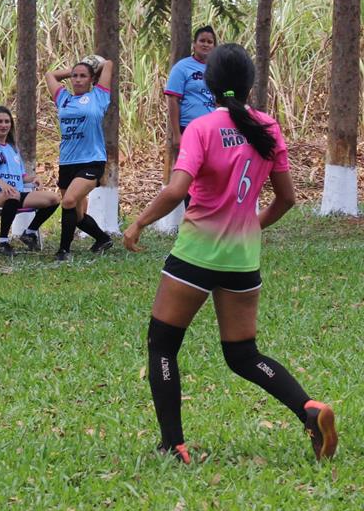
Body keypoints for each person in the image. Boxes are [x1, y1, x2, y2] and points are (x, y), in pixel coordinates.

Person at [123, 44, 337, 465]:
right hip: (242, 260)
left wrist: (138, 222)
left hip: (196, 255)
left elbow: (176, 190)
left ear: (208, 82)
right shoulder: (269, 128)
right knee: (243, 355)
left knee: (162, 345)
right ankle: (309, 410)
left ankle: (173, 445)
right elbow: (287, 199)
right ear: (250, 83)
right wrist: (248, 226)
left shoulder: (201, 128)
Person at [44, 55, 115, 261]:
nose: (77, 79)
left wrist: (91, 66)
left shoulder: (98, 96)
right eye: (74, 76)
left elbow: (108, 63)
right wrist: (74, 68)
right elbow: (50, 75)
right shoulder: (63, 98)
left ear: (92, 79)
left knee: (68, 201)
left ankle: (64, 251)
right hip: (67, 162)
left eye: (83, 76)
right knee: (77, 213)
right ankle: (102, 239)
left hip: (92, 160)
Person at [0, 106, 60, 255]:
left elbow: (21, 177)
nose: (4, 125)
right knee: (12, 194)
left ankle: (29, 233)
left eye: (7, 121)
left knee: (54, 198)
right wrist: (1, 183)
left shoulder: (12, 148)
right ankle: (3, 242)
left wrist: (34, 178)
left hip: (14, 193)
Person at [164, 26, 217, 160]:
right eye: (202, 41)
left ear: (214, 46)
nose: (205, 44)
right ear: (194, 44)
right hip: (188, 128)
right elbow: (172, 99)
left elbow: (226, 94)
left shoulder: (218, 69)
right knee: (189, 167)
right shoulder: (182, 67)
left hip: (212, 129)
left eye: (210, 42)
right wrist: (177, 134)